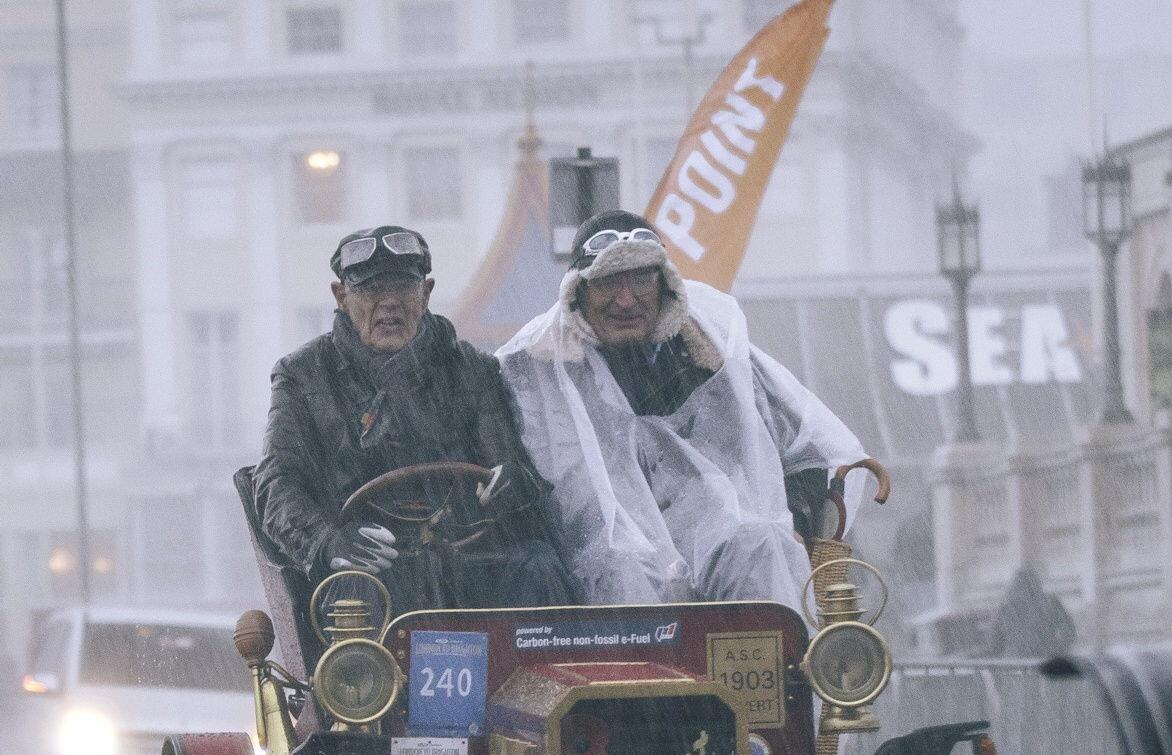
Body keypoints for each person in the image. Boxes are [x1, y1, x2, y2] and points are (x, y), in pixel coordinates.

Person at [496, 210, 866, 609]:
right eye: (608, 282)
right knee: (626, 567)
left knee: (761, 543)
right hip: (597, 549)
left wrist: (798, 516)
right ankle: (644, 673)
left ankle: (767, 666)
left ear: (664, 285)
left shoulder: (711, 352)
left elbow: (801, 445)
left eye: (641, 279)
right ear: (578, 291)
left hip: (712, 532)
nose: (626, 299)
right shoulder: (534, 368)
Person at [253, 225, 576, 614]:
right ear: (341, 297)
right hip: (368, 571)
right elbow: (276, 484)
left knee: (540, 567)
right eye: (371, 290)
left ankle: (544, 673)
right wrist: (327, 542)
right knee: (357, 595)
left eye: (403, 290)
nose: (389, 305)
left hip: (470, 563)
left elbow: (508, 464)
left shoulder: (472, 370)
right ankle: (371, 677)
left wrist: (512, 486)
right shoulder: (301, 376)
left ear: (425, 294)